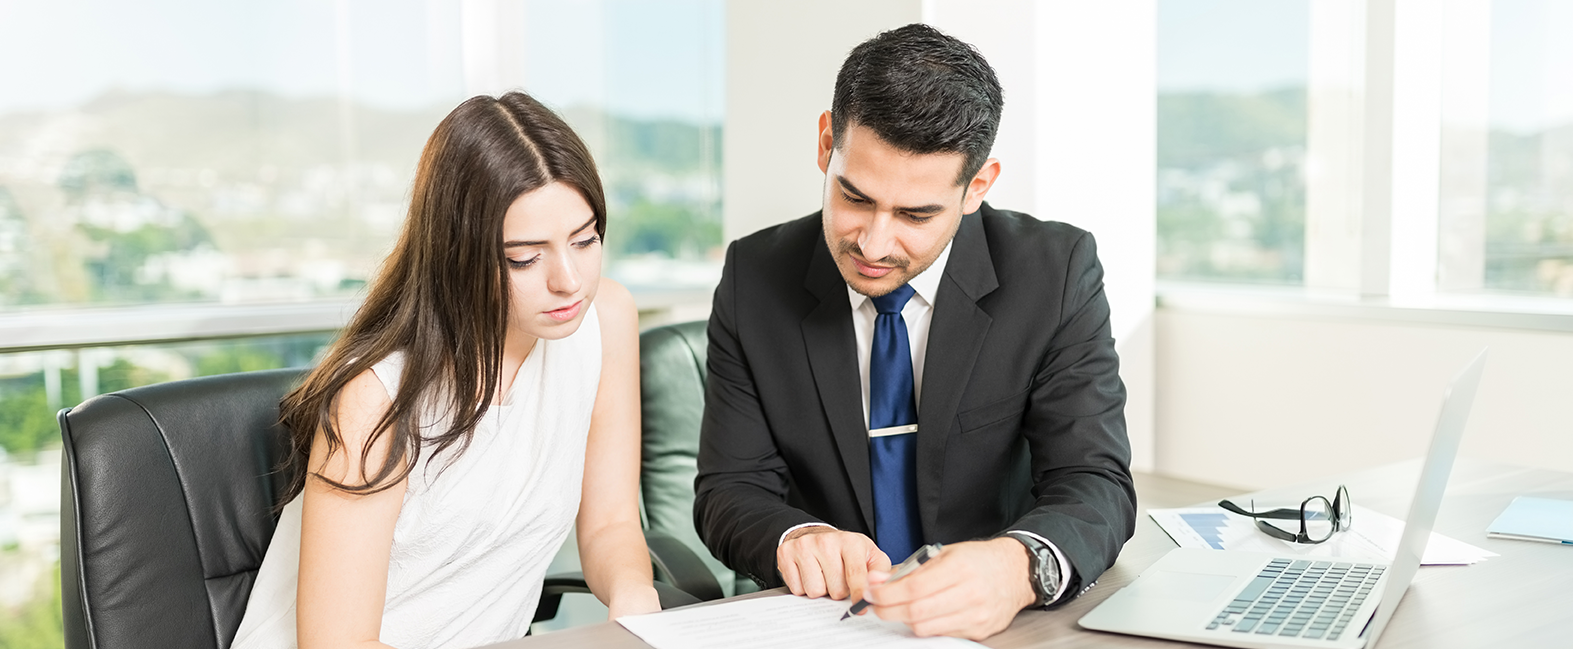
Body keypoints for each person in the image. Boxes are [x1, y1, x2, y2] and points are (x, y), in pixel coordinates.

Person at [693, 24, 1136, 640]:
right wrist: (797, 537)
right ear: (827, 143)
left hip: (1001, 627)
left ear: (977, 186)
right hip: (829, 625)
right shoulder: (753, 275)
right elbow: (730, 489)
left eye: (915, 215)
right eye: (854, 197)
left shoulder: (1053, 273)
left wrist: (1019, 566)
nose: (873, 244)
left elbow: (1095, 480)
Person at [232, 92, 661, 649]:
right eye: (525, 258)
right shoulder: (376, 397)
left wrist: (634, 600)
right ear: (458, 252)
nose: (569, 280)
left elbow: (610, 523)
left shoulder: (607, 320)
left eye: (585, 240)